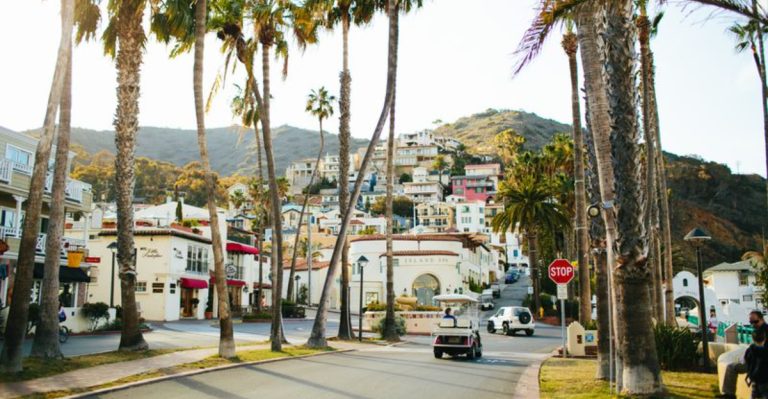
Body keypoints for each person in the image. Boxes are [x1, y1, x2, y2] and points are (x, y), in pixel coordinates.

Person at [720, 311, 768, 398]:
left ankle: (729, 394)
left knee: (732, 367)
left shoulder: (764, 331)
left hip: (759, 365)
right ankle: (729, 394)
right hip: (756, 364)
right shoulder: (759, 330)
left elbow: (761, 352)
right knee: (731, 367)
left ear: (762, 319)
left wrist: (751, 352)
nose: (753, 324)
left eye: (755, 322)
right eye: (751, 322)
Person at [745, 328, 768, 398]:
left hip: (753, 377)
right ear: (765, 339)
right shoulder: (766, 351)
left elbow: (746, 361)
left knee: (753, 393)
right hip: (764, 379)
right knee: (765, 393)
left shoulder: (750, 350)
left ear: (752, 339)